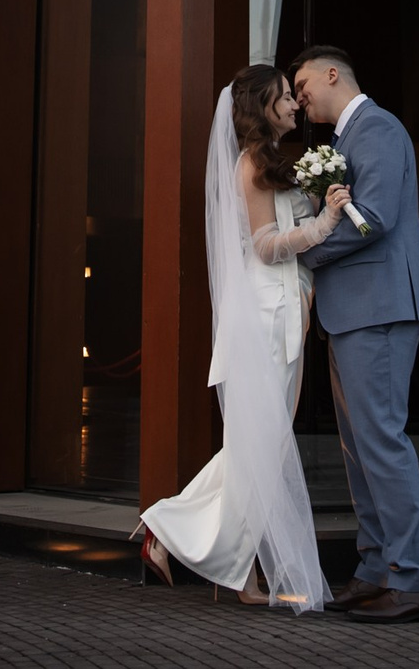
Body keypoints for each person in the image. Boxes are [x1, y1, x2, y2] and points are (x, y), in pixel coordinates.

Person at [134, 64, 352, 610]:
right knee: (261, 448)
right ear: (264, 106)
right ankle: (176, 532)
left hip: (282, 313)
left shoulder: (272, 162)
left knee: (259, 448)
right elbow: (264, 245)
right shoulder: (254, 162)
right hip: (264, 315)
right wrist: (324, 223)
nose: (295, 105)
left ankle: (227, 568)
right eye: (285, 97)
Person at [291, 45, 419, 622]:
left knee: (380, 442)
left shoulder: (375, 128)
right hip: (355, 311)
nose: (299, 97)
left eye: (302, 84)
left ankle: (414, 579)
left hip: (376, 307)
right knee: (360, 451)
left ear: (333, 74)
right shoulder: (351, 137)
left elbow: (371, 217)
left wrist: (301, 257)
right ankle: (378, 568)